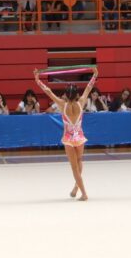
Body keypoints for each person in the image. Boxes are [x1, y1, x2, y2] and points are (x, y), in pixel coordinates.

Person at [34, 66, 98, 201]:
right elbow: (88, 88)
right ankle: (76, 187)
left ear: (66, 95)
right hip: (79, 137)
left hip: (69, 138)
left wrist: (37, 79)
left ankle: (84, 193)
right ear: (76, 94)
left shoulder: (62, 104)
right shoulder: (81, 101)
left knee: (74, 168)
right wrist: (95, 74)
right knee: (79, 161)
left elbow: (48, 92)